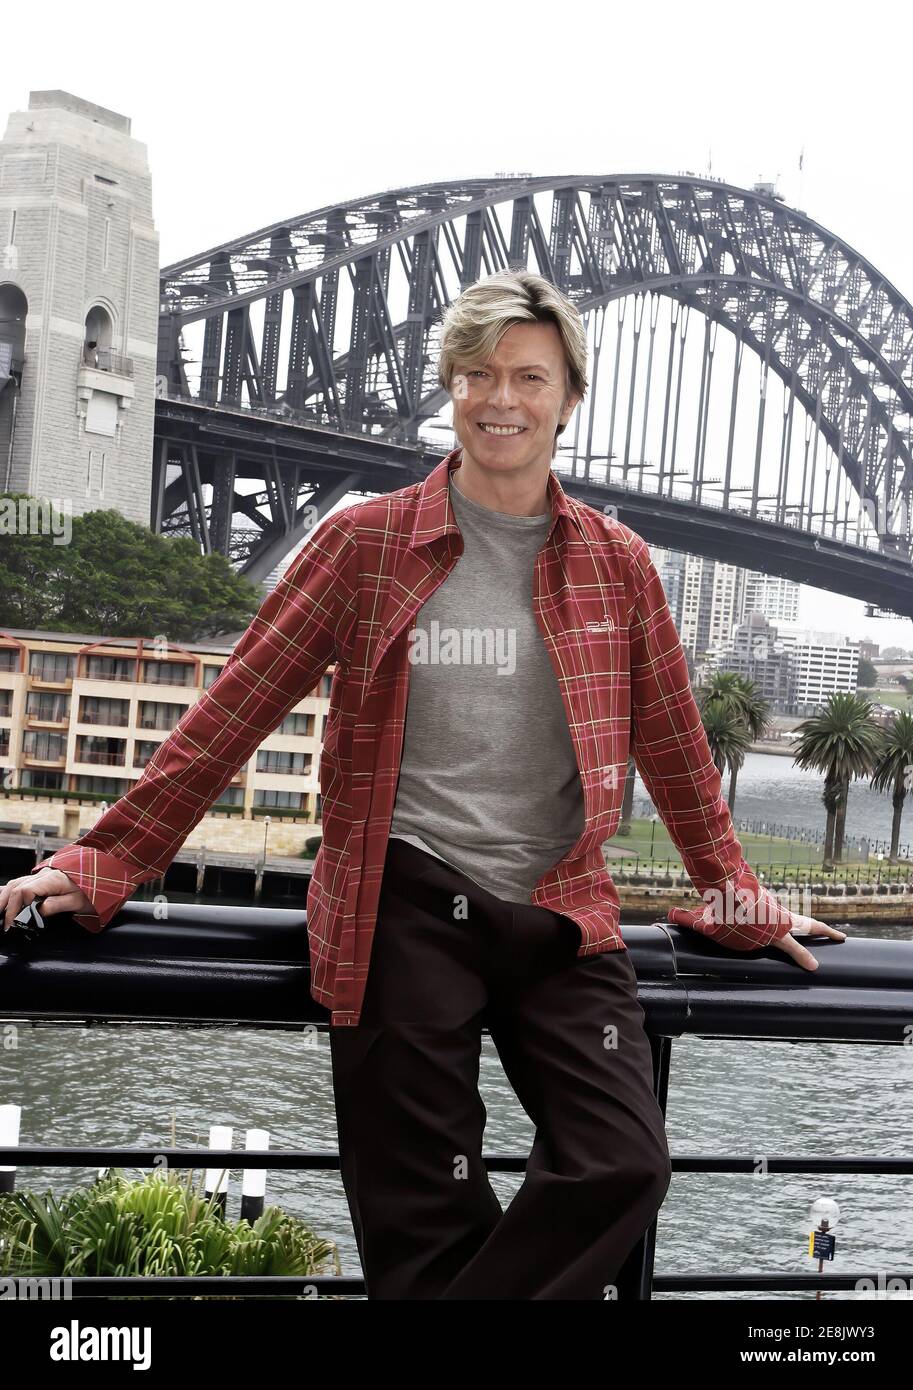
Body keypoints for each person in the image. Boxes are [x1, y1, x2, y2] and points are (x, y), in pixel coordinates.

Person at [0, 269, 846, 1300]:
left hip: (558, 913)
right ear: (448, 386)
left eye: (528, 376)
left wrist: (733, 896)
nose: (501, 398)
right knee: (423, 1218)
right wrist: (113, 855)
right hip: (403, 906)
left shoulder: (619, 566)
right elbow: (239, 705)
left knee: (623, 1158)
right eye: (477, 373)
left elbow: (674, 747)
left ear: (568, 397)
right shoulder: (365, 544)